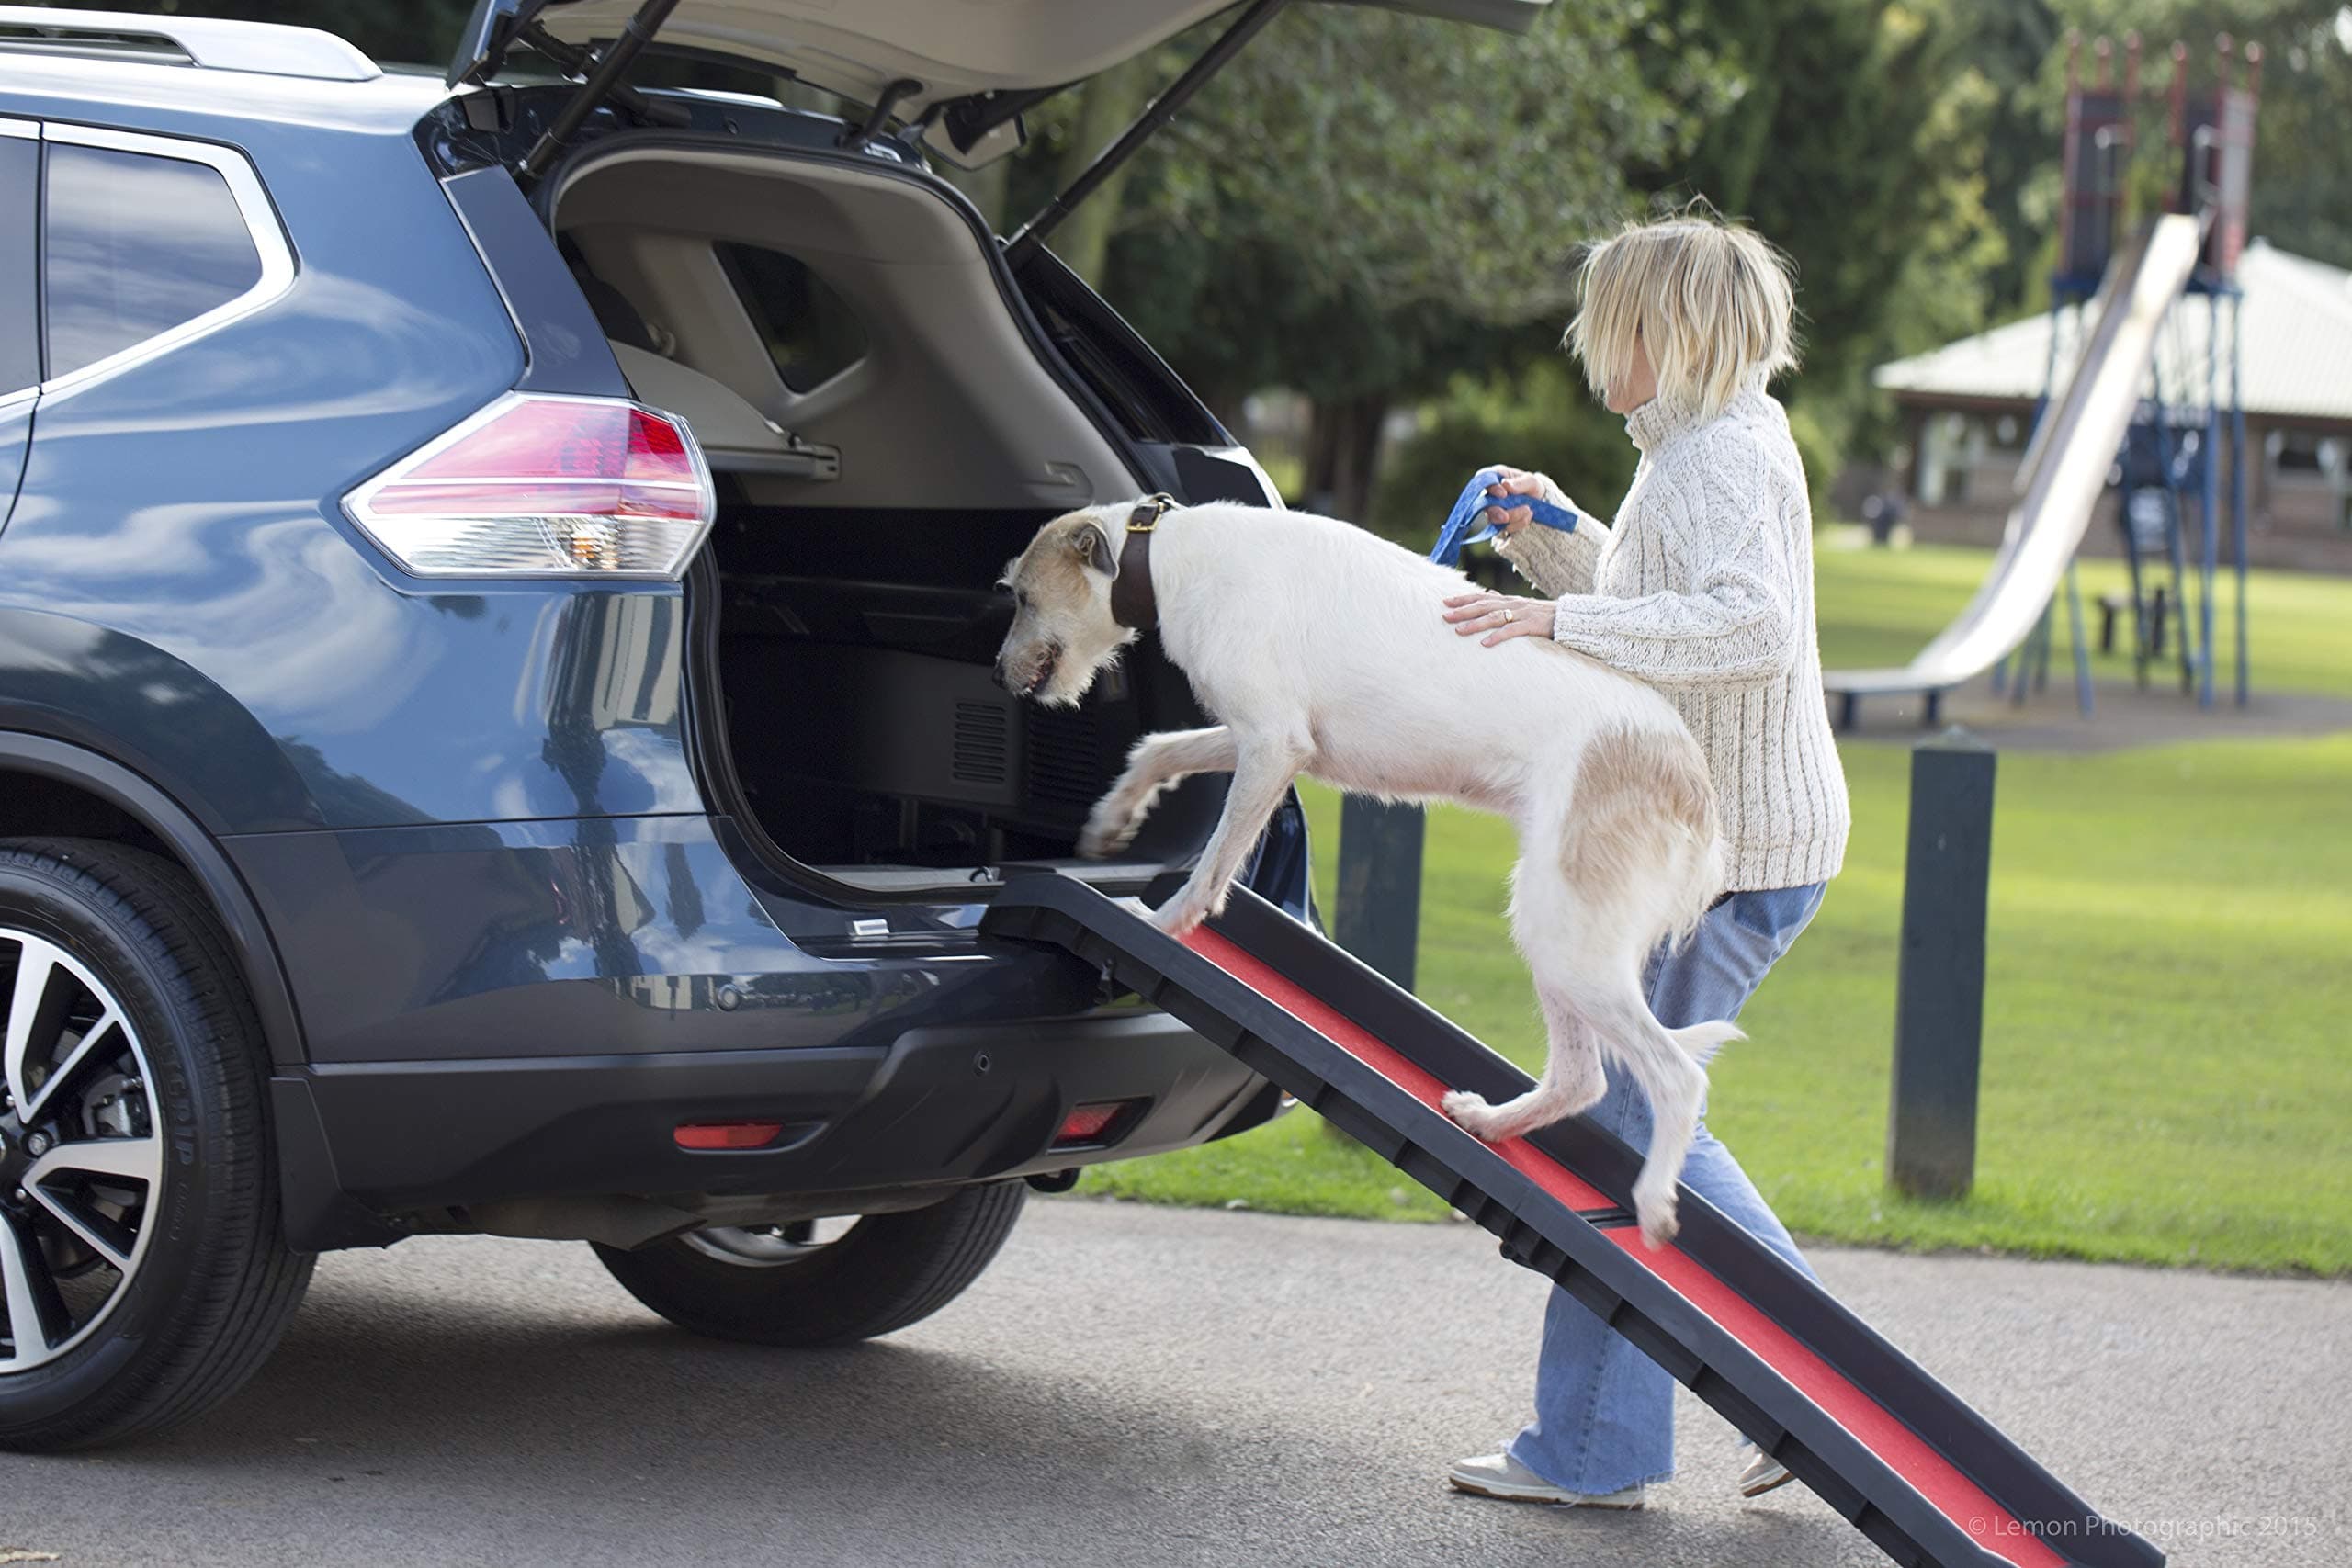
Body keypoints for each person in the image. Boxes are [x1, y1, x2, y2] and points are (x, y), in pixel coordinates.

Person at [1435, 211, 1851, 1508]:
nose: (1584, 350)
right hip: (1722, 844)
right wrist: (1553, 542)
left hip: (1737, 855)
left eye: (1603, 327)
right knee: (1621, 1115)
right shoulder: (1704, 448)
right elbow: (1646, 598)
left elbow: (1747, 626)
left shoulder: (1715, 457)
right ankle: (1617, 1440)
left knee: (1626, 1112)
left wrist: (1551, 609)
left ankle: (1803, 1384)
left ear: (1663, 334)